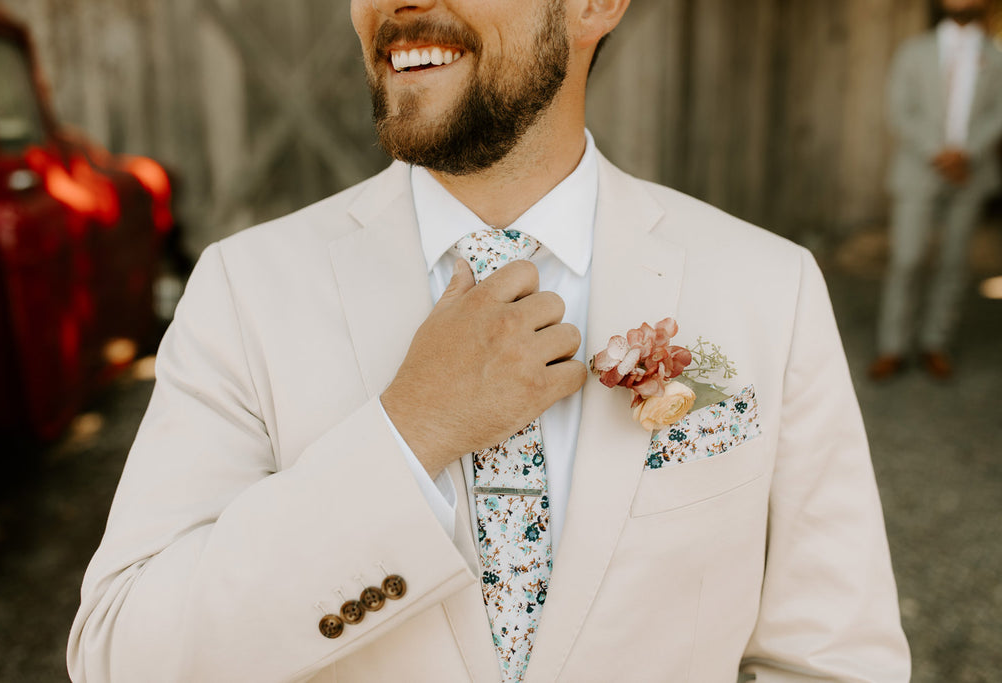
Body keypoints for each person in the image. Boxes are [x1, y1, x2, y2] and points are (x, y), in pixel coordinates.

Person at [69, 1, 910, 681]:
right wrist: (410, 433)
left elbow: (833, 657)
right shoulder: (243, 290)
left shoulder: (771, 285)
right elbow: (120, 654)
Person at [870, 0, 1002, 381]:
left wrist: (967, 153)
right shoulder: (914, 51)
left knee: (954, 262)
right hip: (918, 170)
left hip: (971, 174)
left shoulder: (995, 55)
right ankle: (892, 347)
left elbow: (998, 113)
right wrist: (938, 154)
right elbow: (899, 109)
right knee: (907, 259)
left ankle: (934, 343)